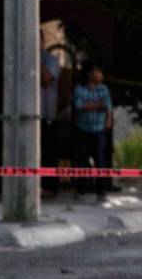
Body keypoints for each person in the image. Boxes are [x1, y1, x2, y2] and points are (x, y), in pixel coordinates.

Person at [72, 63, 113, 200]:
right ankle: (81, 190)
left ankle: (101, 191)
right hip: (82, 128)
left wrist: (108, 120)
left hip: (99, 128)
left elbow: (108, 107)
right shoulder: (79, 89)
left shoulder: (104, 89)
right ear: (90, 74)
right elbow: (79, 107)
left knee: (100, 160)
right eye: (98, 72)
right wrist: (97, 105)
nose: (101, 75)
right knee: (82, 160)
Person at [39, 37, 62, 195]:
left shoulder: (51, 60)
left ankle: (50, 187)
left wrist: (36, 57)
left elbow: (46, 79)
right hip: (25, 116)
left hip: (46, 115)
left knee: (48, 152)